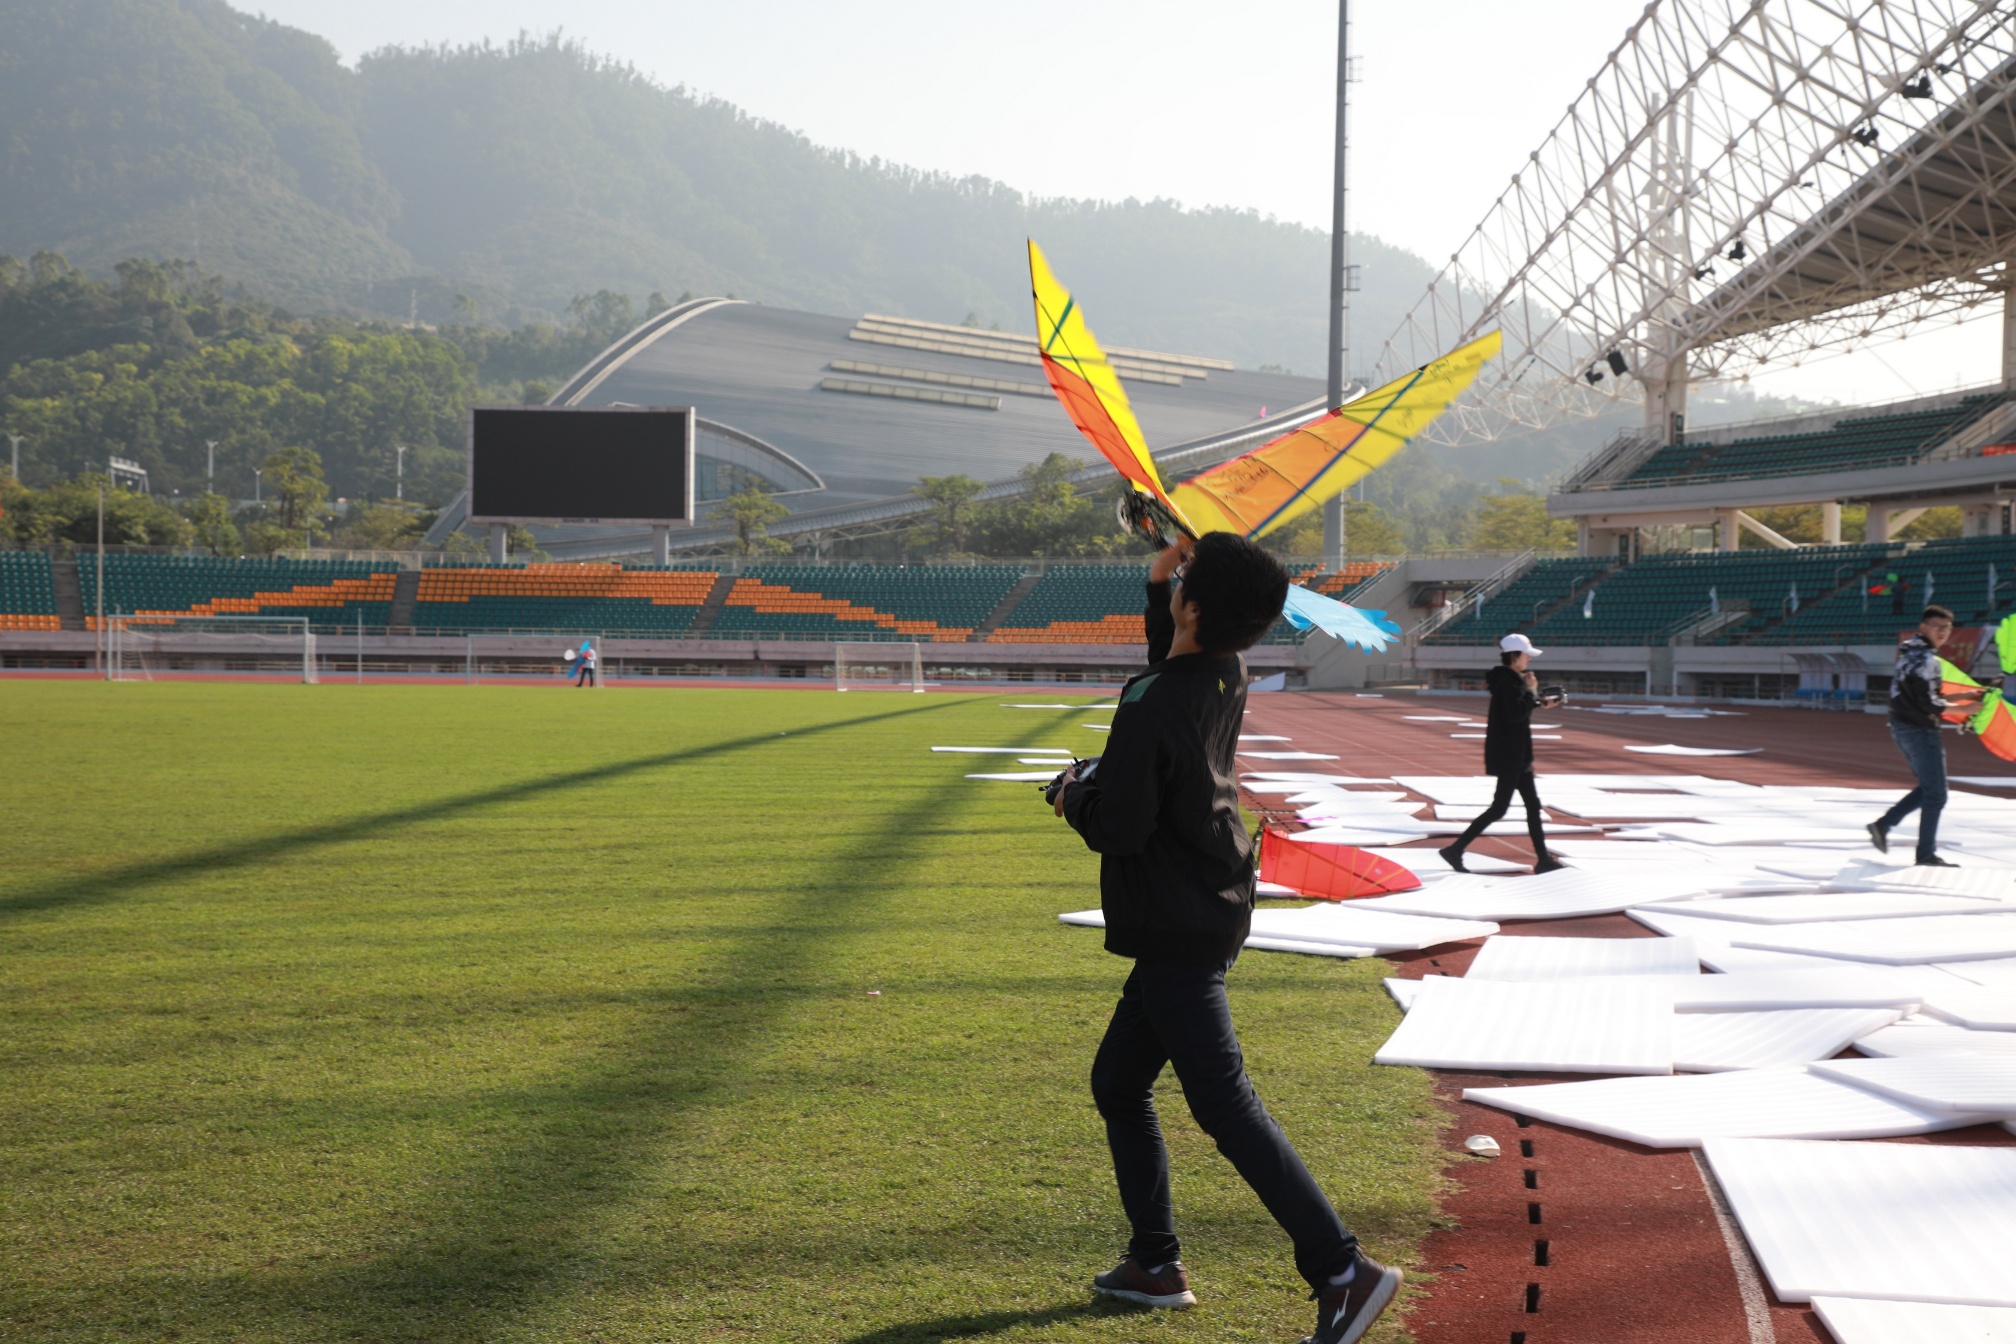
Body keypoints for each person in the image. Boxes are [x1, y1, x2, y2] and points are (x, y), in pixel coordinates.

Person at [1048, 532, 1401, 1344]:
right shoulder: (1223, 670)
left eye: (1182, 589)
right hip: (1208, 903)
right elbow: (1166, 668)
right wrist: (1160, 580)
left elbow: (1122, 827)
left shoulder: (1154, 698)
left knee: (1226, 1106)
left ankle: (1343, 1271)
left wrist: (1072, 798)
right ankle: (1154, 1263)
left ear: (1196, 607)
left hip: (1176, 920)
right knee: (1117, 1082)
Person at [1439, 633, 1563, 874]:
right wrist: (1530, 691)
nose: (1529, 659)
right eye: (1526, 654)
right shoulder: (1508, 681)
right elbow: (1515, 714)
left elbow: (1518, 709)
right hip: (1511, 756)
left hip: (1517, 755)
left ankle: (1543, 859)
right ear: (1515, 656)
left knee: (1532, 806)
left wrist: (1538, 701)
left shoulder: (1509, 679)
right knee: (1500, 808)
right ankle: (1454, 850)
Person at [1869, 605, 1979, 866]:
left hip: (1902, 728)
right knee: (1937, 794)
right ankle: (1924, 853)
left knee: (1928, 789)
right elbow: (1929, 704)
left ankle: (1883, 825)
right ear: (1923, 627)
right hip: (1919, 730)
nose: (1942, 632)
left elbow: (1928, 696)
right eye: (1937, 627)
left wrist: (1963, 696)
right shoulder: (1927, 660)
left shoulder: (1911, 654)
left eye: (1947, 628)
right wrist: (1966, 708)